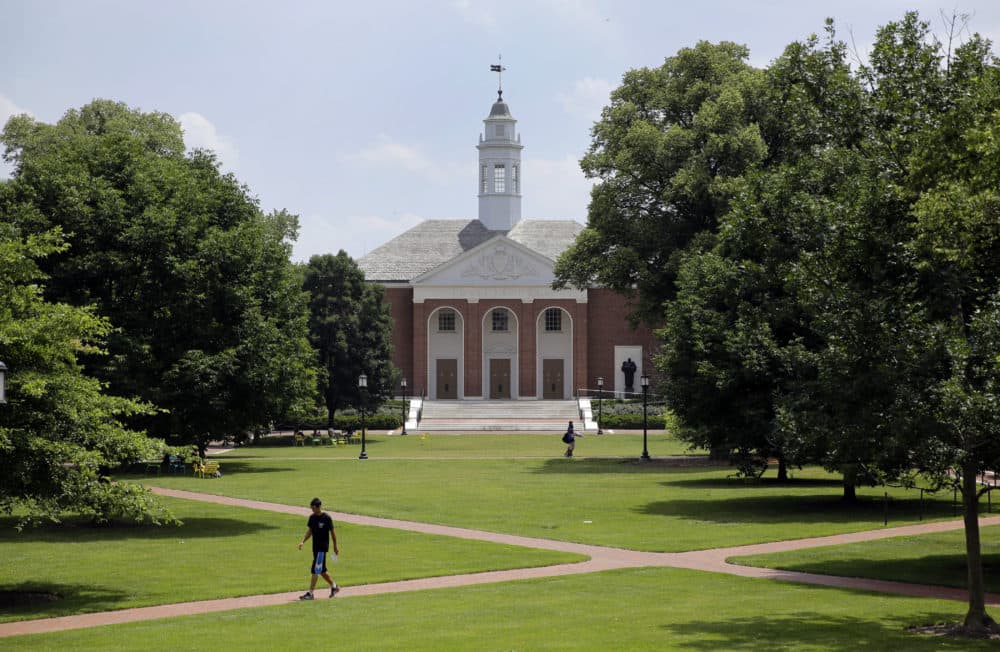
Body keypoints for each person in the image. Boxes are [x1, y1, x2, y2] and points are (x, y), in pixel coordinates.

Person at [297, 497, 340, 599]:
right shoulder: (312, 518)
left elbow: (333, 533)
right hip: (315, 548)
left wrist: (335, 546)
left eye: (313, 508)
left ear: (318, 507)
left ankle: (311, 593)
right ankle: (334, 586)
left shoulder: (327, 518)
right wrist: (302, 541)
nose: (312, 510)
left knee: (315, 570)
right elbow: (310, 531)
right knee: (321, 570)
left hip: (322, 548)